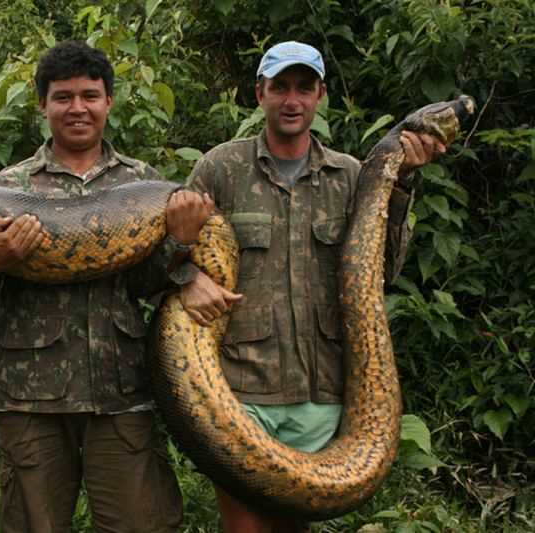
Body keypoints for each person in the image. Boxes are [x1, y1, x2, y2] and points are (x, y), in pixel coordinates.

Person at [178, 41, 446, 533]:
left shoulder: (348, 175)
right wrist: (187, 274)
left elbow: (381, 270)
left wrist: (403, 183)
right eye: (280, 87)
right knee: (242, 526)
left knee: (290, 527)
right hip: (239, 387)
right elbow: (176, 249)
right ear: (259, 94)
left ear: (320, 94)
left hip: (318, 390)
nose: (292, 99)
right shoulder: (220, 168)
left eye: (304, 87)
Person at [0, 40, 212, 533]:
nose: (77, 108)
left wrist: (179, 243)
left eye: (90, 95)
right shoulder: (5, 187)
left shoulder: (143, 183)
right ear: (42, 104)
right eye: (63, 97)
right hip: (29, 396)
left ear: (109, 102)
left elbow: (146, 284)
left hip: (121, 391)